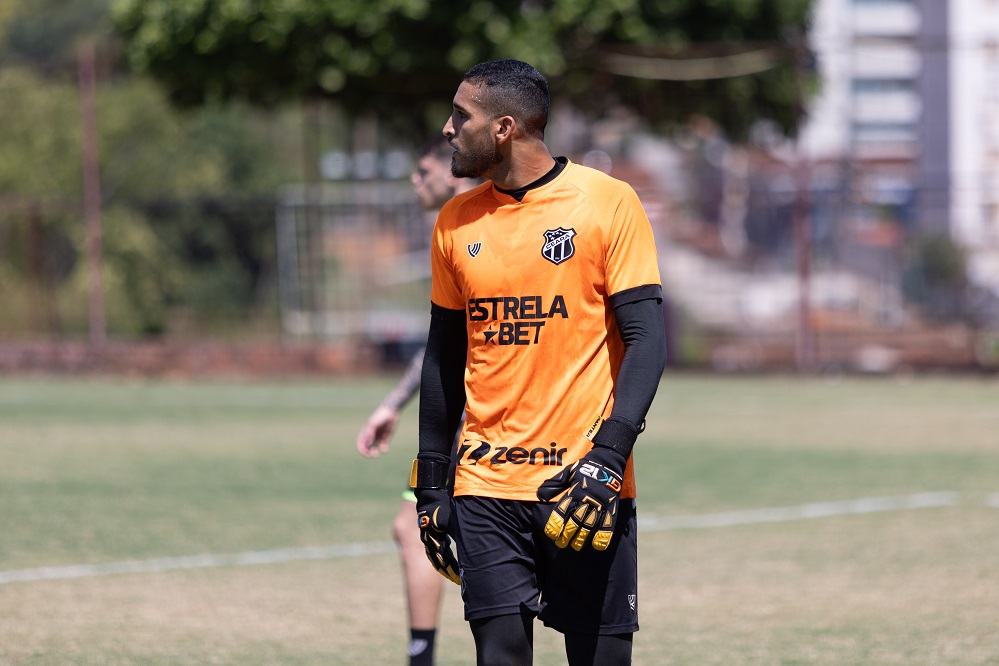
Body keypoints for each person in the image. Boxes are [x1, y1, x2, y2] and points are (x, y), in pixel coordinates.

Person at [411, 59, 667, 666]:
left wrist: (607, 460)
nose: (448, 129)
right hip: (485, 485)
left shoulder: (608, 203)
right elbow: (443, 360)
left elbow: (647, 343)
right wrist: (429, 482)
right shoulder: (454, 222)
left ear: (504, 128)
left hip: (584, 486)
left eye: (460, 116)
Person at [356, 135, 476, 666]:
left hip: (478, 412)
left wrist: (395, 404)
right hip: (469, 410)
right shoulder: (456, 227)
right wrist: (395, 404)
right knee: (420, 527)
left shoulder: (465, 226)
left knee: (420, 528)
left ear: (452, 174)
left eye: (422, 169)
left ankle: (422, 657)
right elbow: (441, 342)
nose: (414, 180)